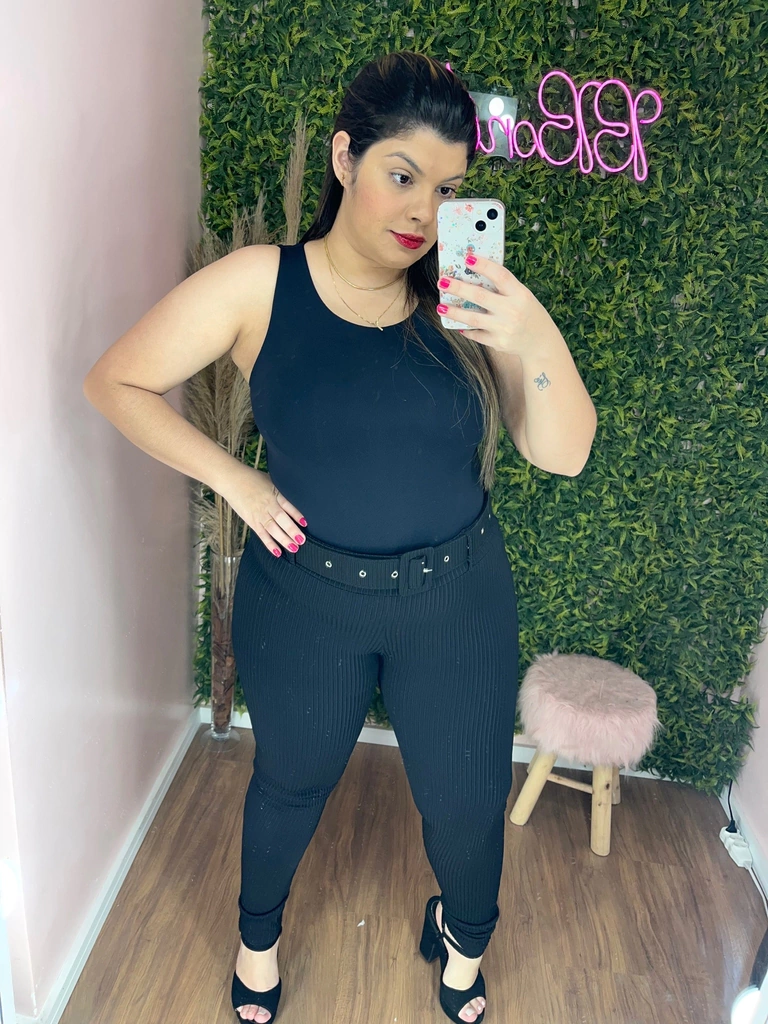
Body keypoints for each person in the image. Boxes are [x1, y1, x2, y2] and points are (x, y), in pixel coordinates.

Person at [84, 50, 531, 1024]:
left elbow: (555, 443)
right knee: (289, 782)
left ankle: (461, 943)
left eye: (446, 188)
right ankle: (258, 942)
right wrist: (235, 478)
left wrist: (524, 328)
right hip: (304, 596)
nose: (422, 210)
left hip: (456, 597)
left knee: (467, 802)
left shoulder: (465, 298)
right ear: (343, 156)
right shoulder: (259, 283)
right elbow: (116, 380)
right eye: (402, 173)